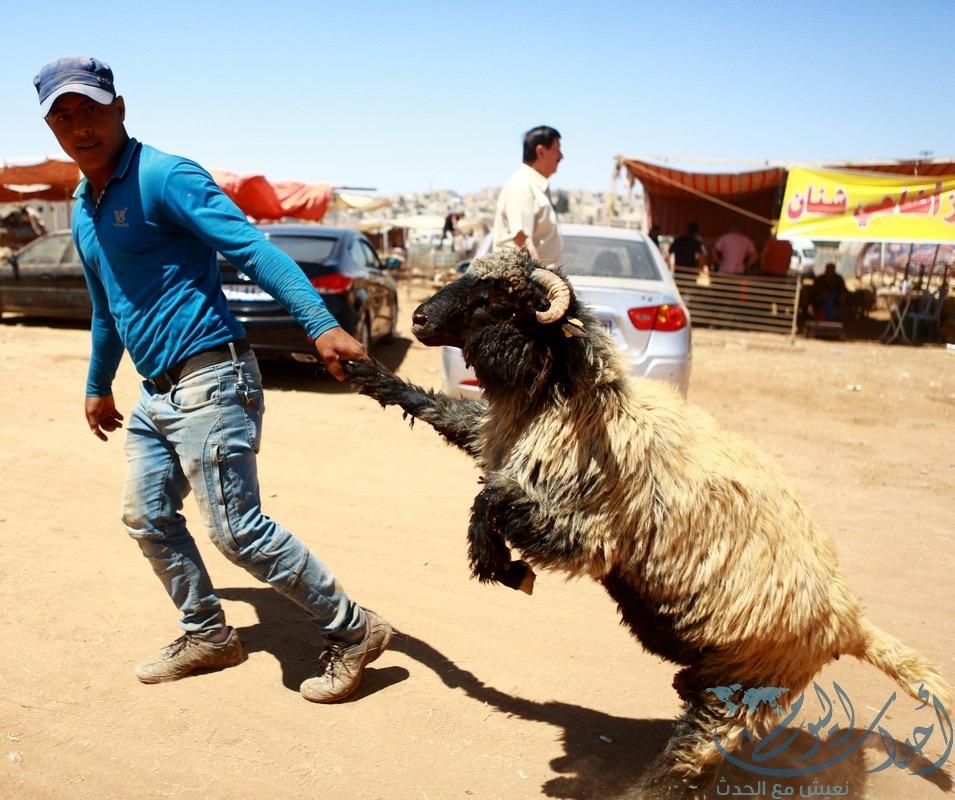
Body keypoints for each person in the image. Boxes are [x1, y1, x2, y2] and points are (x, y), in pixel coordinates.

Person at [33, 55, 391, 702]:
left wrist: (318, 322)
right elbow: (107, 306)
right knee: (146, 516)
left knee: (236, 530)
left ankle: (354, 628)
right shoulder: (85, 205)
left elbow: (251, 248)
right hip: (155, 392)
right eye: (63, 115)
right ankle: (208, 634)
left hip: (211, 375)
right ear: (52, 127)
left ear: (119, 108)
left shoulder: (165, 176)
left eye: (90, 108)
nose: (79, 125)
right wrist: (96, 385)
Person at [492, 125, 563, 265]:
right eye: (557, 150)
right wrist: (541, 280)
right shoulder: (521, 184)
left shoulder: (536, 186)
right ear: (541, 151)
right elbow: (522, 240)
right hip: (523, 283)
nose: (561, 156)